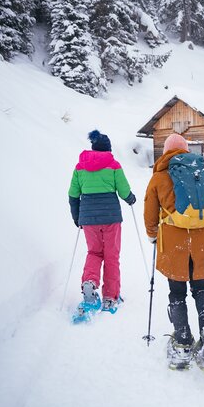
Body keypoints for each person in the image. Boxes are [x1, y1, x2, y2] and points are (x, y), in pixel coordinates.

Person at [144, 133, 204, 370]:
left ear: (166, 151)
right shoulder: (202, 173)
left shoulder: (159, 177)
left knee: (177, 292)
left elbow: (150, 212)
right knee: (202, 288)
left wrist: (152, 235)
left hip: (174, 244)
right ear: (185, 149)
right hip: (201, 242)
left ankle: (182, 343)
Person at [69, 130, 136, 314]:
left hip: (89, 219)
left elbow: (73, 195)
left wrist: (77, 217)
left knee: (94, 252)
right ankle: (110, 297)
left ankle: (90, 282)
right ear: (108, 148)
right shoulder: (113, 165)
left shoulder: (80, 167)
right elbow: (124, 190)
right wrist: (130, 198)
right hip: (110, 217)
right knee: (111, 256)